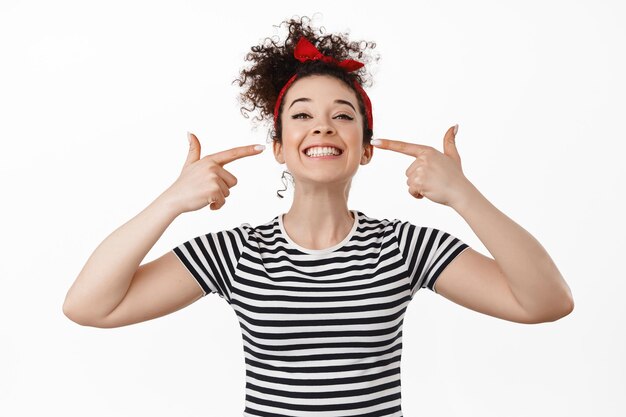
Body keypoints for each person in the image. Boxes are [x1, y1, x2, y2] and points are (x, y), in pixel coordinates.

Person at [63, 16, 574, 417]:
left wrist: (466, 196)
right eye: (302, 115)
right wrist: (170, 201)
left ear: (365, 149)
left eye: (343, 116)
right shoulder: (236, 252)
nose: (323, 127)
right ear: (280, 148)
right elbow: (89, 307)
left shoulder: (402, 248)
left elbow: (546, 303)